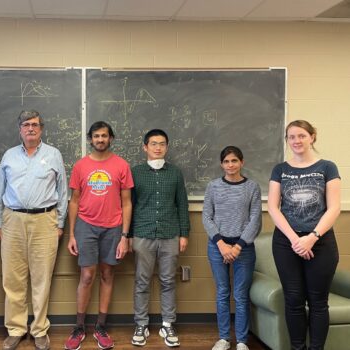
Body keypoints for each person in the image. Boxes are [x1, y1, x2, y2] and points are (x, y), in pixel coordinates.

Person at [0, 110, 68, 350]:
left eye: (35, 125)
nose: (31, 129)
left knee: (42, 278)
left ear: (41, 129)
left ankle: (39, 330)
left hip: (46, 221)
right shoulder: (9, 155)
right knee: (13, 278)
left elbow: (63, 192)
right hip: (12, 220)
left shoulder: (54, 154)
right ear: (20, 129)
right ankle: (16, 329)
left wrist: (60, 223)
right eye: (26, 125)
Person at [267, 120, 340, 350]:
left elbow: (334, 207)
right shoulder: (280, 170)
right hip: (286, 242)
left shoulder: (327, 167)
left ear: (312, 137)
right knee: (294, 301)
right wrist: (295, 239)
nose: (296, 141)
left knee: (318, 302)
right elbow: (273, 207)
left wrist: (312, 236)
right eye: (291, 137)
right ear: (287, 140)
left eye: (301, 136)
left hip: (320, 242)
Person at [65, 121, 133, 350]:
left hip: (113, 228)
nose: (100, 139)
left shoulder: (122, 165)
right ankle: (79, 327)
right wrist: (72, 234)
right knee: (86, 276)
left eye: (104, 136)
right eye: (96, 136)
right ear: (90, 139)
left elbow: (127, 202)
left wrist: (124, 236)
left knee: (107, 274)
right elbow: (73, 201)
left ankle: (100, 326)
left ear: (111, 138)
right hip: (86, 227)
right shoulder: (81, 166)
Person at [130, 129, 190, 348]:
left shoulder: (175, 173)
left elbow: (182, 204)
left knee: (167, 280)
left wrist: (184, 233)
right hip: (142, 233)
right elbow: (129, 205)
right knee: (142, 281)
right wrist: (127, 235)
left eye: (162, 144)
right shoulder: (135, 172)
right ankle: (141, 324)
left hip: (170, 233)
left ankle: (167, 324)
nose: (158, 148)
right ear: (145, 147)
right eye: (153, 144)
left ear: (167, 147)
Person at [202, 146, 262, 350]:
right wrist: (220, 244)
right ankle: (224, 338)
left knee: (241, 294)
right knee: (222, 292)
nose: (230, 165)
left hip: (243, 248)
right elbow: (206, 217)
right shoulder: (213, 186)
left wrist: (237, 247)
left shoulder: (252, 187)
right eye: (226, 161)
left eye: (234, 161)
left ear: (242, 162)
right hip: (217, 247)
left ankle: (243, 341)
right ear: (221, 164)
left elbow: (255, 220)